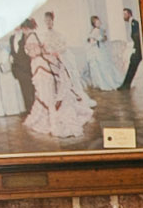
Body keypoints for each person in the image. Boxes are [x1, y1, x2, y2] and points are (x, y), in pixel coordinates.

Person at [20, 12, 96, 143]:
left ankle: (53, 118)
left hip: (40, 66)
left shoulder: (32, 37)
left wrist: (39, 52)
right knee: (48, 91)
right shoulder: (38, 35)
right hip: (43, 65)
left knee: (46, 92)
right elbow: (43, 50)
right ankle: (53, 111)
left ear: (25, 28)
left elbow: (35, 53)